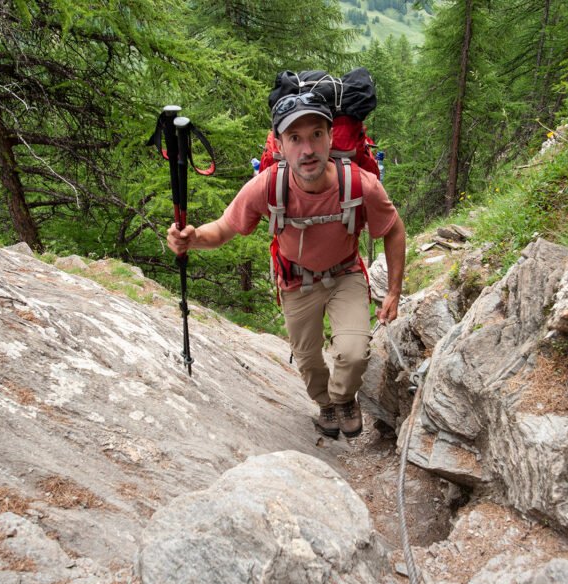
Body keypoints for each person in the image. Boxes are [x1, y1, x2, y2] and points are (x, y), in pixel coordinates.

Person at [167, 93, 405, 439]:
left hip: (346, 274)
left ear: (329, 137)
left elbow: (394, 228)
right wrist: (191, 238)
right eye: (295, 138)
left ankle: (343, 400)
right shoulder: (269, 185)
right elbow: (223, 228)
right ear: (280, 144)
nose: (307, 149)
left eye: (316, 136)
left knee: (353, 354)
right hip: (295, 281)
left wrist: (395, 291)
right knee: (308, 361)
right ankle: (324, 404)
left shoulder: (358, 184)